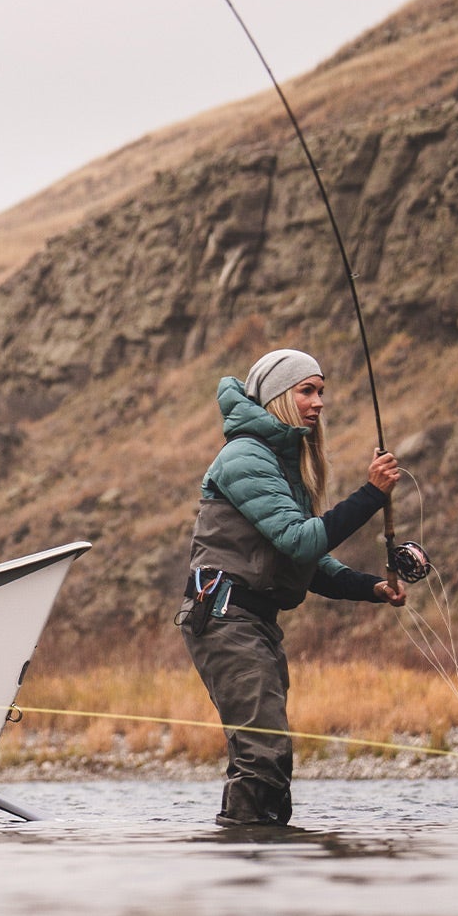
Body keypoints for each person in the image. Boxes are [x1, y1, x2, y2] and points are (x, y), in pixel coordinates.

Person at [179, 347, 405, 827]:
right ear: (279, 396)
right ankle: (250, 861)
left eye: (321, 391)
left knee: (268, 755)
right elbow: (300, 541)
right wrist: (371, 496)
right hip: (224, 618)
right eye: (307, 390)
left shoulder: (281, 463)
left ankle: (262, 859)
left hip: (251, 622)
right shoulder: (245, 458)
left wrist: (371, 589)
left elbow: (308, 560)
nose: (319, 401)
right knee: (263, 754)